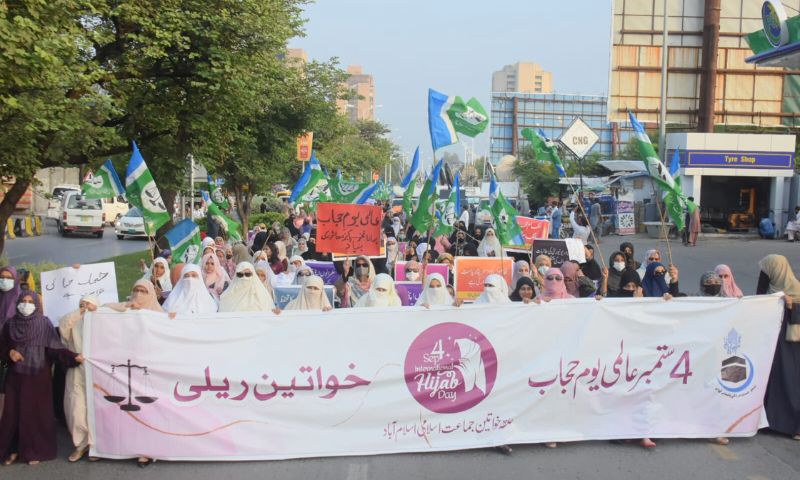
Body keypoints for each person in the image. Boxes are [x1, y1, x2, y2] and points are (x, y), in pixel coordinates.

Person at [0, 291, 83, 465]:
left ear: (37, 304)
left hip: (38, 378)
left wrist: (73, 357)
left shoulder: (44, 324)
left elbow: (54, 349)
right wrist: (10, 352)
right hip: (15, 377)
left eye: (30, 301)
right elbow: (3, 345)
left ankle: (34, 451)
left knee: (35, 415)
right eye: (23, 301)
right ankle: (12, 450)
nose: (26, 304)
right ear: (17, 303)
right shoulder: (10, 324)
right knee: (12, 414)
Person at [758, 254, 800, 439]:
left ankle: (795, 426)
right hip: (772, 345)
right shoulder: (771, 295)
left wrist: (792, 307)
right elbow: (757, 298)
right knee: (772, 381)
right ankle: (772, 422)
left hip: (791, 347)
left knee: (790, 381)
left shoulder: (796, 290)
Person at [58, 295, 100, 462]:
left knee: (97, 409)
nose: (85, 306)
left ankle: (96, 447)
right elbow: (63, 327)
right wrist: (80, 311)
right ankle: (81, 445)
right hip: (77, 369)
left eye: (89, 303)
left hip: (97, 371)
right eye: (82, 304)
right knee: (77, 408)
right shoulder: (72, 321)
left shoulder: (102, 321)